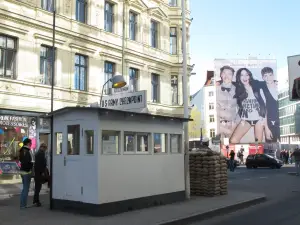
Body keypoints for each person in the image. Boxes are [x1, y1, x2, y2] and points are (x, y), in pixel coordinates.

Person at [230, 68, 266, 143]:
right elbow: (228, 82)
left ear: (249, 76)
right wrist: (219, 82)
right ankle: (238, 154)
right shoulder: (238, 87)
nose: (245, 77)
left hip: (259, 118)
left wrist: (274, 82)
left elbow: (265, 83)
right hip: (246, 119)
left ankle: (257, 155)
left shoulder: (255, 84)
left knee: (258, 143)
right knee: (233, 140)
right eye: (242, 75)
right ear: (239, 77)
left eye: (247, 75)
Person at [216, 66, 240, 140]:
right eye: (224, 73)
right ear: (221, 75)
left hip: (232, 126)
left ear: (233, 76)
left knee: (232, 148)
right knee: (219, 148)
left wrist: (235, 123)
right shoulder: (214, 89)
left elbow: (241, 109)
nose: (226, 76)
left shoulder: (238, 90)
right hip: (218, 125)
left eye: (229, 74)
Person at [259, 67, 280, 142]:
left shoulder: (279, 85)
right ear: (263, 77)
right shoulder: (262, 90)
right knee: (271, 146)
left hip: (282, 121)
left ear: (273, 75)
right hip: (271, 122)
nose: (268, 78)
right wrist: (267, 128)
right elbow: (264, 109)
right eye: (265, 76)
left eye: (270, 75)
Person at [19, 138, 33, 209]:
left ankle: (22, 204)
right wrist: (31, 166)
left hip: (22, 171)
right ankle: (23, 205)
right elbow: (27, 162)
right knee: (26, 189)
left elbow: (21, 160)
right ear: (27, 143)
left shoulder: (21, 150)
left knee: (24, 188)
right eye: (30, 143)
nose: (31, 144)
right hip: (26, 172)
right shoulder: (27, 151)